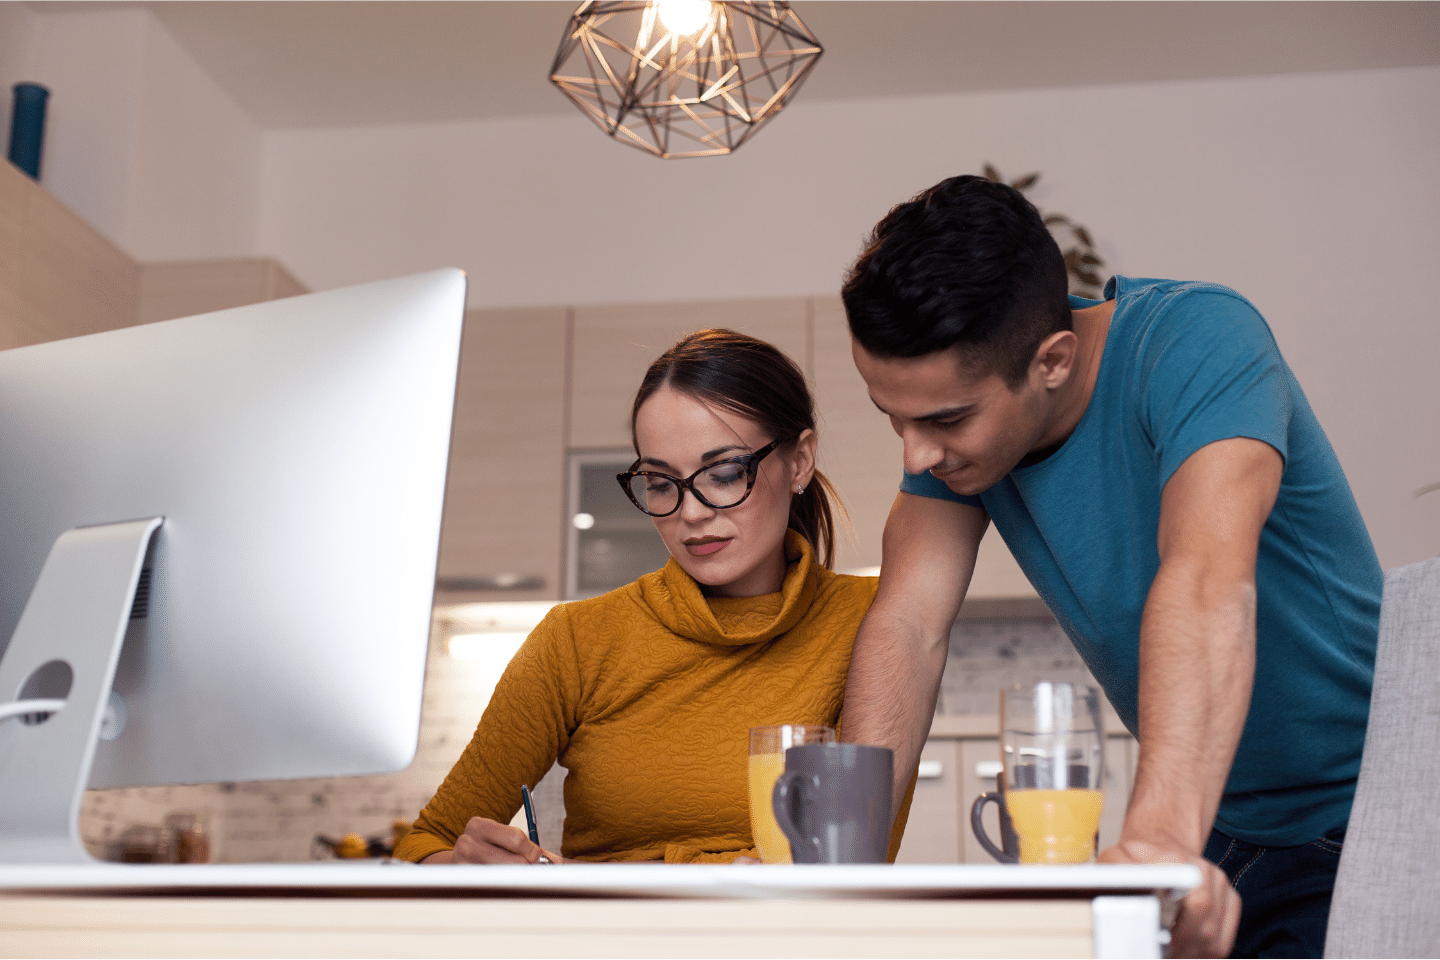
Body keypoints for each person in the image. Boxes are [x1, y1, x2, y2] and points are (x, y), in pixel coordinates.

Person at [837, 175, 1379, 958]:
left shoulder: (1197, 339)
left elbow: (1202, 578)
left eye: (945, 419)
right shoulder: (956, 443)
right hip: (1228, 825)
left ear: (1052, 362)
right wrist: (838, 862)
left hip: (1366, 810)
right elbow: (908, 624)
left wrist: (1159, 839)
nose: (915, 453)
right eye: (893, 417)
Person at [395, 328, 910, 865]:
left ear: (799, 461)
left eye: (725, 473)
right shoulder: (576, 641)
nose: (691, 512)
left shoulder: (877, 622)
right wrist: (465, 868)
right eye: (662, 482)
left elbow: (847, 858)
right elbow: (421, 847)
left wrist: (612, 881)